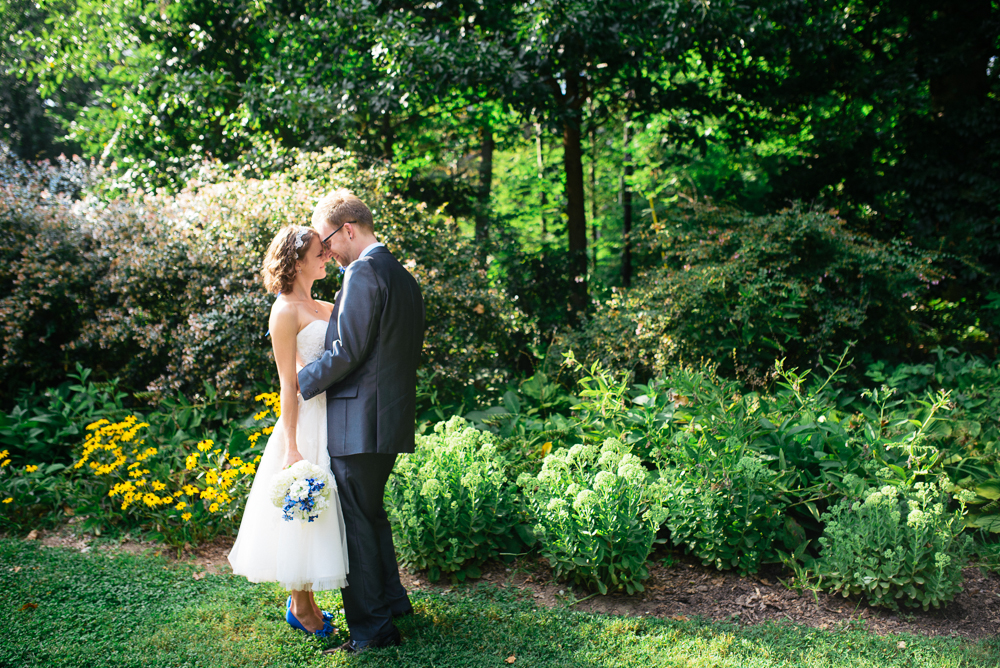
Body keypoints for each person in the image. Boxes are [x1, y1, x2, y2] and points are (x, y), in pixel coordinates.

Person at [298, 188, 424, 654]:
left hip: (357, 422)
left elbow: (347, 351)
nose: (327, 251)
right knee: (370, 516)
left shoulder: (362, 273)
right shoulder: (403, 276)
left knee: (356, 524)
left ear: (347, 229)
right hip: (385, 420)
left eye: (328, 241)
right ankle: (392, 603)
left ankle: (372, 631)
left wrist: (300, 382)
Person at [227, 225, 349, 638]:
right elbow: (287, 382)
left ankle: (307, 601)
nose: (326, 257)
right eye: (319, 253)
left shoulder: (329, 306)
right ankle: (301, 606)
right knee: (303, 510)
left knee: (323, 510)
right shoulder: (284, 311)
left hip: (336, 415)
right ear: (296, 261)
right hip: (305, 418)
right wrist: (292, 445)